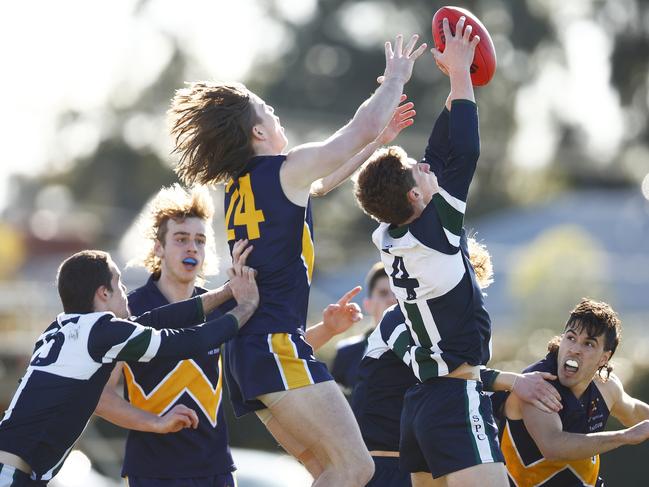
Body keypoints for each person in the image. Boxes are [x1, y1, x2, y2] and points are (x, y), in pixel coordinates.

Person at [168, 31, 427, 486]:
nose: (276, 113)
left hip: (248, 353)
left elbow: (323, 183)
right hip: (274, 345)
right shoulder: (284, 168)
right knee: (357, 466)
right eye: (269, 111)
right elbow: (357, 129)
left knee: (332, 472)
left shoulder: (242, 185)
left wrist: (380, 139)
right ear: (258, 132)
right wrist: (394, 80)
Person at [95, 185, 366, 487]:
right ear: (158, 247)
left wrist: (328, 328)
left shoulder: (225, 305)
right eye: (181, 239)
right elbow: (101, 397)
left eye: (199, 240)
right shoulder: (132, 309)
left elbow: (268, 360)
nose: (191, 249)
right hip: (152, 472)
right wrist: (156, 423)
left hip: (217, 471)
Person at [354, 16, 510, 486]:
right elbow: (463, 153)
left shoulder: (389, 233)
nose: (422, 165)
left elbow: (437, 159)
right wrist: (461, 73)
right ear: (417, 200)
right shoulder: (435, 231)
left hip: (419, 407)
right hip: (455, 399)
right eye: (414, 171)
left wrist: (453, 88)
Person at [0, 246, 258, 486]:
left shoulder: (59, 328)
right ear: (103, 293)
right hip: (11, 475)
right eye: (118, 283)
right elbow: (193, 340)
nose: (125, 291)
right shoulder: (102, 333)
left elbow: (154, 320)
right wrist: (246, 306)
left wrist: (226, 292)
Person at [351, 240, 563, 487]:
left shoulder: (471, 330)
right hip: (384, 462)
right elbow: (439, 370)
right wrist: (514, 381)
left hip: (426, 453)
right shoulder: (398, 316)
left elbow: (467, 379)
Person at [499, 298, 649, 487]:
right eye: (571, 338)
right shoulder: (536, 384)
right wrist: (624, 436)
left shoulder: (606, 386)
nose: (575, 350)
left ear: (604, 357)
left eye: (589, 344)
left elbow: (635, 413)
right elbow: (553, 446)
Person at [331, 263, 397, 393]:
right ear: (368, 304)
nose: (392, 300)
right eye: (383, 293)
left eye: (398, 293)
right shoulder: (346, 353)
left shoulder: (425, 351)